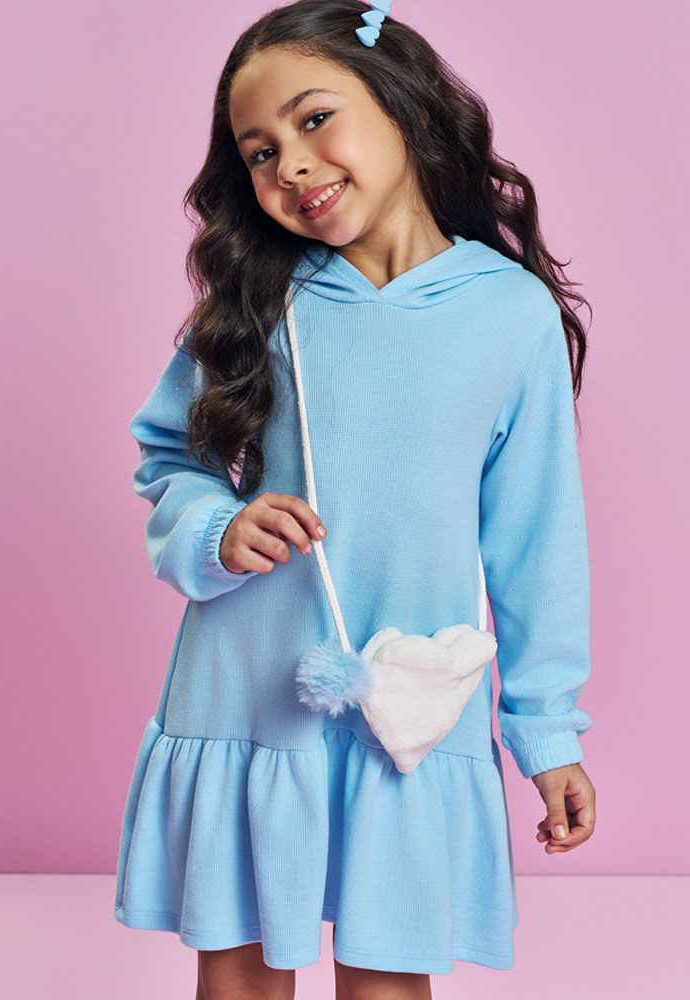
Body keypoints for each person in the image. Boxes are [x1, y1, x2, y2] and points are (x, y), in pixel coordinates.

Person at [114, 2, 597, 997]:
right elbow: (170, 455)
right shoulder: (259, 300)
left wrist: (546, 733)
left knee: (388, 973)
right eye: (259, 151)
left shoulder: (510, 315)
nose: (290, 164)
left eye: (313, 118)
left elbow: (536, 541)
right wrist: (219, 527)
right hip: (249, 690)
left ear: (403, 103)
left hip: (410, 700)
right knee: (240, 969)